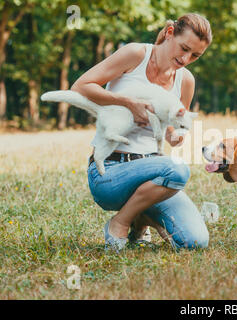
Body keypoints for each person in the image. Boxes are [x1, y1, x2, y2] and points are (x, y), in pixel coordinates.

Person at [70, 13, 212, 251]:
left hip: (154, 175)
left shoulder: (186, 80)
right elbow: (80, 87)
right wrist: (127, 103)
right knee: (177, 169)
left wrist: (175, 136)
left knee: (195, 241)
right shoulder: (136, 54)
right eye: (184, 48)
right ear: (169, 33)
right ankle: (120, 222)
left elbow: (172, 130)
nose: (186, 58)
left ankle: (142, 217)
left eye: (195, 55)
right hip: (110, 173)